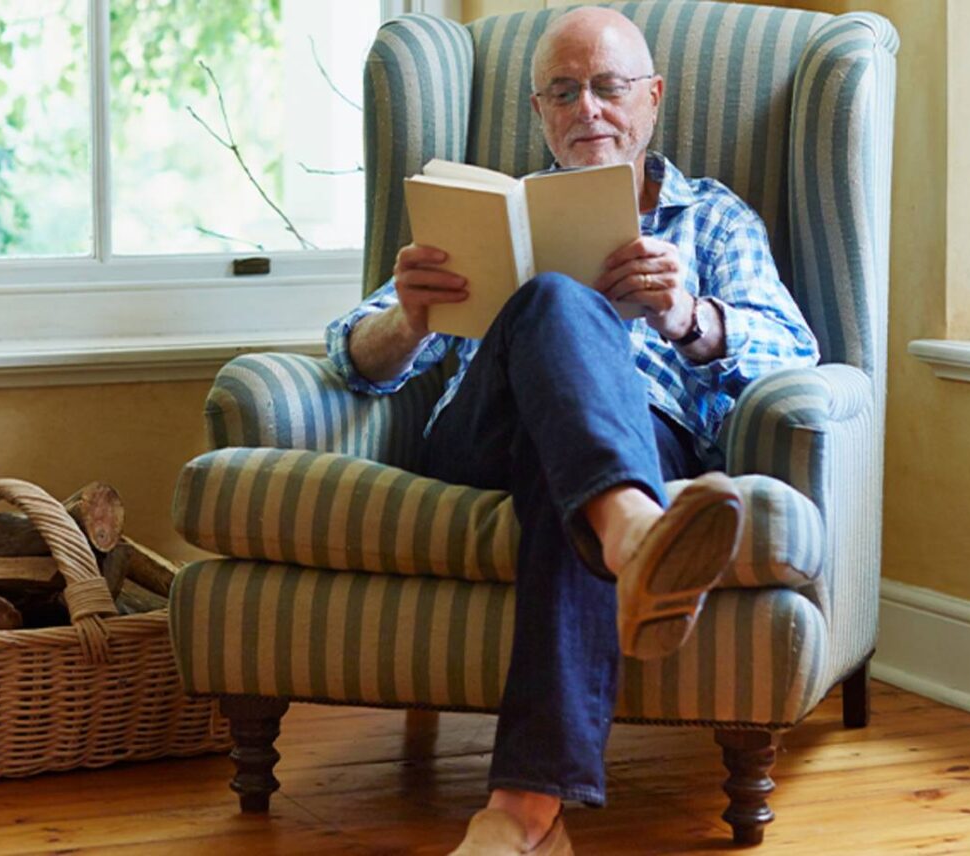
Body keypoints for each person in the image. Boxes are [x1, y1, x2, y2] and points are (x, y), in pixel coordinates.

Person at [325, 7, 819, 854]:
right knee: (554, 297)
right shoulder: (492, 213)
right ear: (540, 111)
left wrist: (687, 314)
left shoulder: (714, 219)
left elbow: (795, 353)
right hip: (478, 440)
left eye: (608, 86)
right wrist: (407, 317)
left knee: (570, 484)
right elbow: (352, 358)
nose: (587, 108)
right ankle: (636, 536)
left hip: (644, 435)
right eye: (564, 91)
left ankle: (522, 815)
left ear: (653, 98)